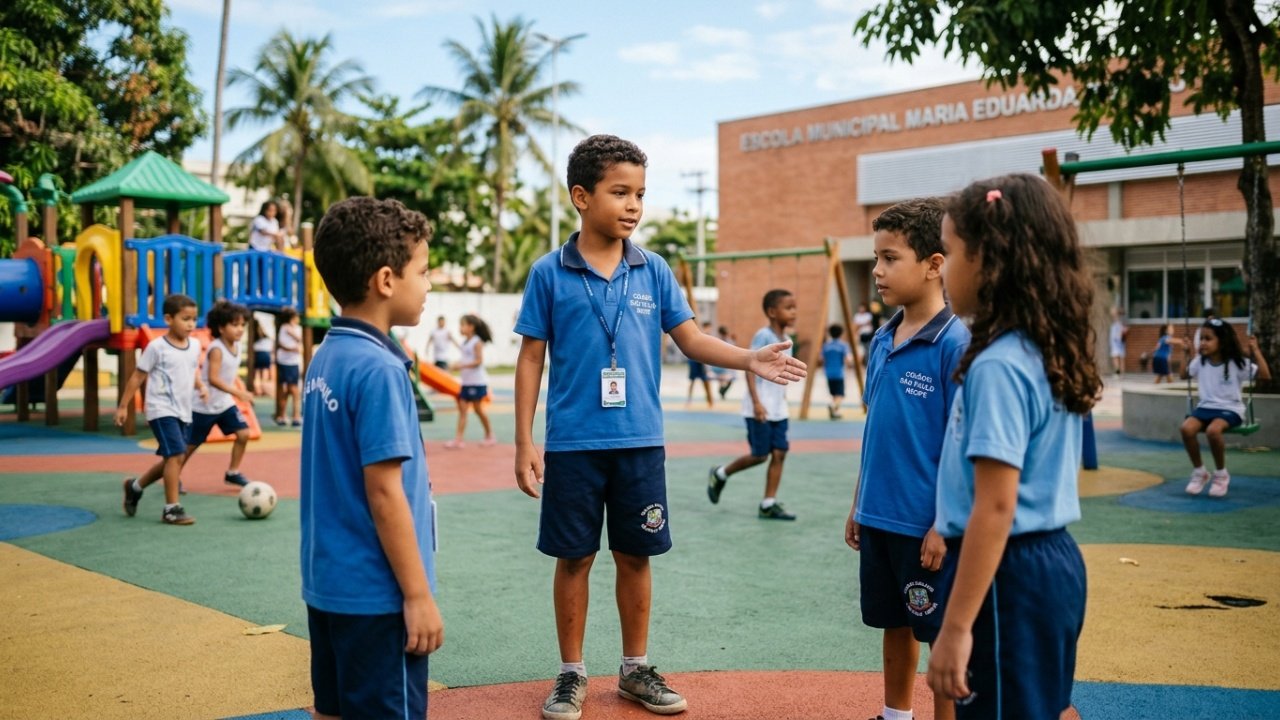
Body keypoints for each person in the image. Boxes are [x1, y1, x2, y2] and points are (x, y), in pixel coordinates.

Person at [513, 134, 806, 720]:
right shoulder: (549, 272)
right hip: (572, 444)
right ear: (580, 196)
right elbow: (531, 358)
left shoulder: (654, 270)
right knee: (573, 558)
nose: (632, 206)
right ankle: (571, 673)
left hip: (641, 443)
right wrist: (524, 439)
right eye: (619, 192)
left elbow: (691, 339)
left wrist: (749, 359)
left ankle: (634, 668)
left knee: (635, 555)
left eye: (640, 194)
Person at [926, 175, 1101, 719]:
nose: (945, 268)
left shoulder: (999, 365)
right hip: (1051, 564)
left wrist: (954, 628)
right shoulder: (1043, 348)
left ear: (990, 259)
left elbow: (996, 507)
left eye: (951, 252)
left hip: (1007, 576)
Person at [301, 197, 443, 719]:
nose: (428, 285)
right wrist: (418, 595)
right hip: (379, 596)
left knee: (333, 709)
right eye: (423, 272)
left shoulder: (327, 357)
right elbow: (384, 493)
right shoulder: (380, 370)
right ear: (387, 280)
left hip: (329, 587)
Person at [845, 197, 969, 720]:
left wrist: (944, 522)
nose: (877, 271)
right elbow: (877, 429)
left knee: (936, 631)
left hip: (927, 526)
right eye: (876, 258)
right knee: (893, 625)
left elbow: (962, 447)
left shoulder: (955, 343)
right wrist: (857, 503)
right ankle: (896, 715)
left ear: (934, 264)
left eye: (890, 258)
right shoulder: (880, 338)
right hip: (879, 516)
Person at [706, 288, 800, 520]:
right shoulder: (764, 336)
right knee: (760, 455)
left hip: (779, 408)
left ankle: (768, 504)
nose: (794, 312)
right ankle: (720, 473)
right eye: (788, 308)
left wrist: (783, 398)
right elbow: (751, 368)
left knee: (780, 453)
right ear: (771, 312)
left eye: (794, 307)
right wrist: (757, 403)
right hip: (760, 407)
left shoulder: (787, 341)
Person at [116, 293, 207, 526]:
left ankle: (134, 486)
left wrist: (200, 386)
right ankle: (171, 508)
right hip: (161, 409)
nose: (190, 324)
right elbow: (138, 376)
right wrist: (123, 406)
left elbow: (191, 370)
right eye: (185, 319)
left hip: (184, 410)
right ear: (168, 319)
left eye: (193, 319)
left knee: (173, 458)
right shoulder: (157, 347)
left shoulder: (195, 345)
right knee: (176, 455)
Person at [1180, 318, 1270, 498]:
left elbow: (1266, 376)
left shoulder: (1237, 363)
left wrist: (1256, 351)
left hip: (1231, 409)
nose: (1203, 343)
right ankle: (1200, 472)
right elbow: (1183, 374)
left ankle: (1221, 474)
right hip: (1205, 407)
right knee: (1186, 429)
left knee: (1214, 430)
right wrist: (1185, 353)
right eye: (1202, 339)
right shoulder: (1201, 361)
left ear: (1222, 341)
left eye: (1208, 339)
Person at [186, 300, 256, 487]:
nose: (240, 329)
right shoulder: (216, 348)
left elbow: (229, 376)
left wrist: (237, 393)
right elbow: (214, 378)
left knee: (243, 434)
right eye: (235, 325)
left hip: (224, 403)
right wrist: (239, 393)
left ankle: (232, 472)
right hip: (204, 405)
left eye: (242, 325)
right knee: (189, 447)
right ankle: (173, 472)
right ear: (221, 328)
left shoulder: (238, 346)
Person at [445, 314, 495, 449]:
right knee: (462, 409)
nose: (460, 328)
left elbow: (479, 361)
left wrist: (460, 366)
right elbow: (465, 355)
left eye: (463, 325)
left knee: (478, 410)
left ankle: (490, 435)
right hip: (466, 383)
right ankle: (458, 439)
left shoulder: (477, 341)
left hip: (477, 382)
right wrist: (457, 363)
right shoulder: (466, 342)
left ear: (471, 327)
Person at [275, 307, 303, 426]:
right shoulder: (284, 328)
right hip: (284, 362)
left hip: (293, 362)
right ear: (292, 318)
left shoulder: (298, 328)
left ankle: (295, 415)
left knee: (293, 389)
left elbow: (299, 340)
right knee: (287, 389)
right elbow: (282, 344)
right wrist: (293, 348)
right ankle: (284, 415)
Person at [822, 324, 853, 419]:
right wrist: (850, 364)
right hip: (839, 373)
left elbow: (821, 358)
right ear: (841, 334)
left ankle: (835, 412)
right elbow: (848, 359)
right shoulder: (843, 345)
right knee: (840, 394)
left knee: (834, 393)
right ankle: (832, 406)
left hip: (828, 372)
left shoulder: (826, 345)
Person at [686, 326, 715, 408]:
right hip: (694, 361)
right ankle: (689, 400)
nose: (708, 330)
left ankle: (710, 401)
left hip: (702, 361)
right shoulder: (699, 335)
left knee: (706, 382)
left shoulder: (709, 339)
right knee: (692, 381)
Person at [252, 320, 274, 396]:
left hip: (261, 353)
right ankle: (260, 389)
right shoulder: (263, 337)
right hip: (264, 354)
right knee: (261, 374)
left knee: (259, 374)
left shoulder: (259, 337)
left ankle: (260, 389)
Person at [714, 325, 737, 399]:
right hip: (720, 364)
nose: (725, 336)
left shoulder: (729, 340)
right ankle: (721, 391)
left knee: (731, 379)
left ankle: (722, 391)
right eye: (724, 334)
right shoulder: (717, 341)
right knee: (721, 379)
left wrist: (734, 341)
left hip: (728, 363)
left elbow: (733, 349)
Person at [1109, 308, 1127, 376]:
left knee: (1116, 358)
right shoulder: (1122, 322)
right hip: (1119, 342)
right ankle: (1121, 373)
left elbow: (1118, 334)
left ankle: (1118, 372)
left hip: (1117, 341)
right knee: (1120, 358)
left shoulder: (1118, 322)